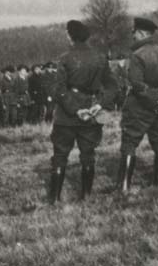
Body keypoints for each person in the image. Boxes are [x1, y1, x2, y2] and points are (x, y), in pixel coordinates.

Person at [47, 20, 118, 203]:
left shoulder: (64, 58)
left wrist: (74, 109)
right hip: (92, 111)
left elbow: (58, 90)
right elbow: (112, 86)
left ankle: (54, 199)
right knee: (88, 155)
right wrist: (100, 104)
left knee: (60, 156)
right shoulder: (100, 57)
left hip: (66, 116)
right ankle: (86, 197)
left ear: (70, 36)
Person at [116, 18, 158, 192]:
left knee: (129, 144)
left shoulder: (137, 55)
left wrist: (154, 103)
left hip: (139, 106)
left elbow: (137, 85)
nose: (133, 37)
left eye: (135, 33)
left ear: (141, 33)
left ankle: (124, 188)